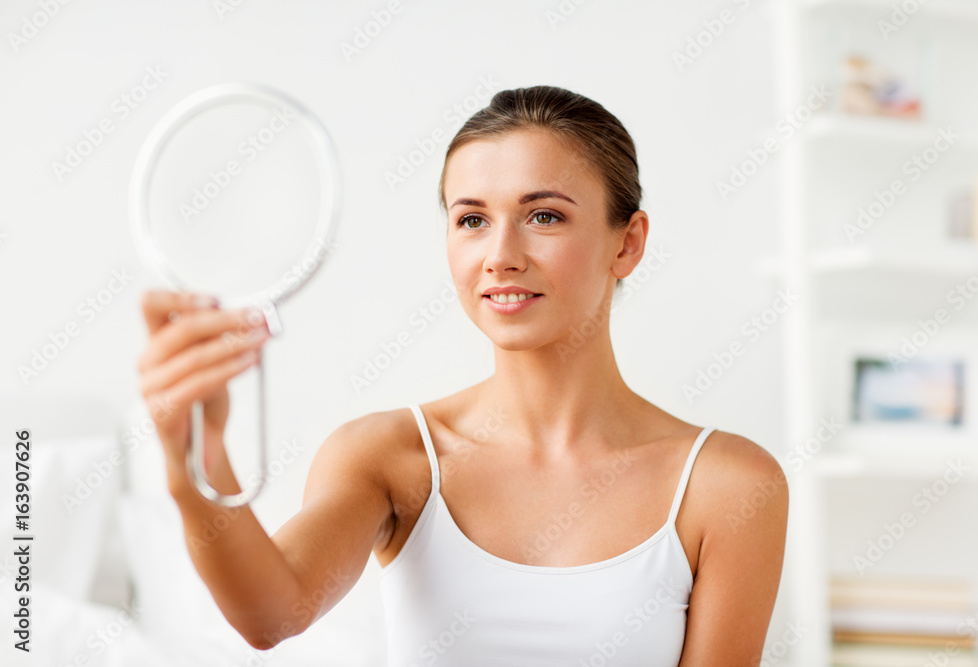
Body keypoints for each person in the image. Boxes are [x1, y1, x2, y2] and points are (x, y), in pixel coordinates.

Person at [136, 85, 788, 666]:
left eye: (544, 216)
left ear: (628, 242)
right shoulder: (390, 457)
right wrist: (194, 458)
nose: (500, 256)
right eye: (472, 219)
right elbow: (270, 615)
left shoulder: (728, 484)